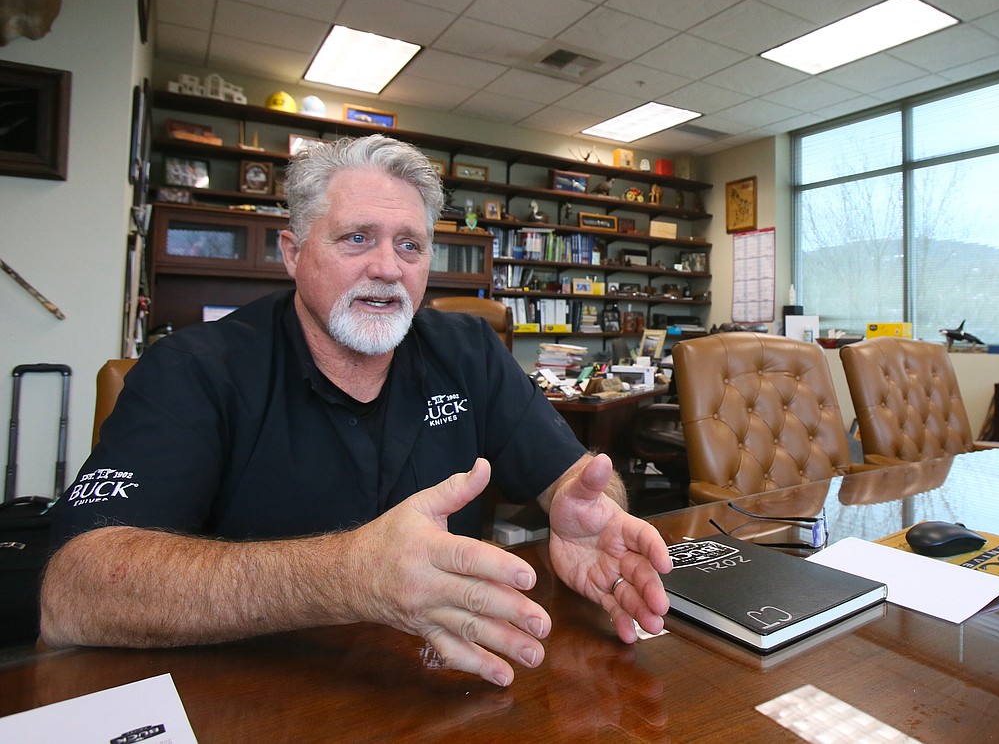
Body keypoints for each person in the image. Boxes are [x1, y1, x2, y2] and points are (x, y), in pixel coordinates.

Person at [42, 135, 672, 688]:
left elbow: (573, 481)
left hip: (451, 688)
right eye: (356, 239)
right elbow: (74, 590)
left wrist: (594, 505)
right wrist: (346, 576)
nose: (386, 268)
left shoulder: (468, 351)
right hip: (256, 703)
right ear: (293, 253)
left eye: (409, 245)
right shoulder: (194, 369)